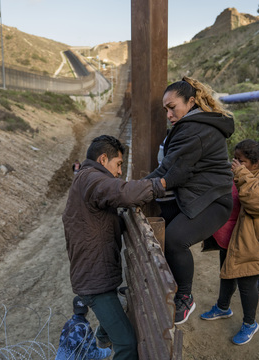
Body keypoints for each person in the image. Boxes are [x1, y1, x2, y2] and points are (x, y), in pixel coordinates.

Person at [62, 134, 170, 360]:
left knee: (115, 327)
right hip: (95, 282)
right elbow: (124, 192)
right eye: (118, 164)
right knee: (127, 345)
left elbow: (98, 222)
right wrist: (158, 185)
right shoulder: (92, 179)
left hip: (94, 275)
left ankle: (103, 337)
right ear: (103, 159)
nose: (120, 171)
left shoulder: (85, 178)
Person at [144, 76, 235, 325]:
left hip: (214, 201)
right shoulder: (191, 125)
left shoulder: (195, 128)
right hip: (197, 196)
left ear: (191, 102)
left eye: (172, 107)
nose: (169, 114)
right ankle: (157, 281)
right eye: (166, 110)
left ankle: (185, 297)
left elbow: (169, 172)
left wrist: (128, 191)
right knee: (160, 230)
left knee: (175, 239)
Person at [199, 139, 259, 345]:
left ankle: (250, 323)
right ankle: (222, 307)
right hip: (230, 240)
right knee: (226, 275)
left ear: (255, 162)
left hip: (251, 244)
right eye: (235, 158)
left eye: (241, 160)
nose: (236, 163)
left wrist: (242, 174)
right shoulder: (239, 172)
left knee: (247, 286)